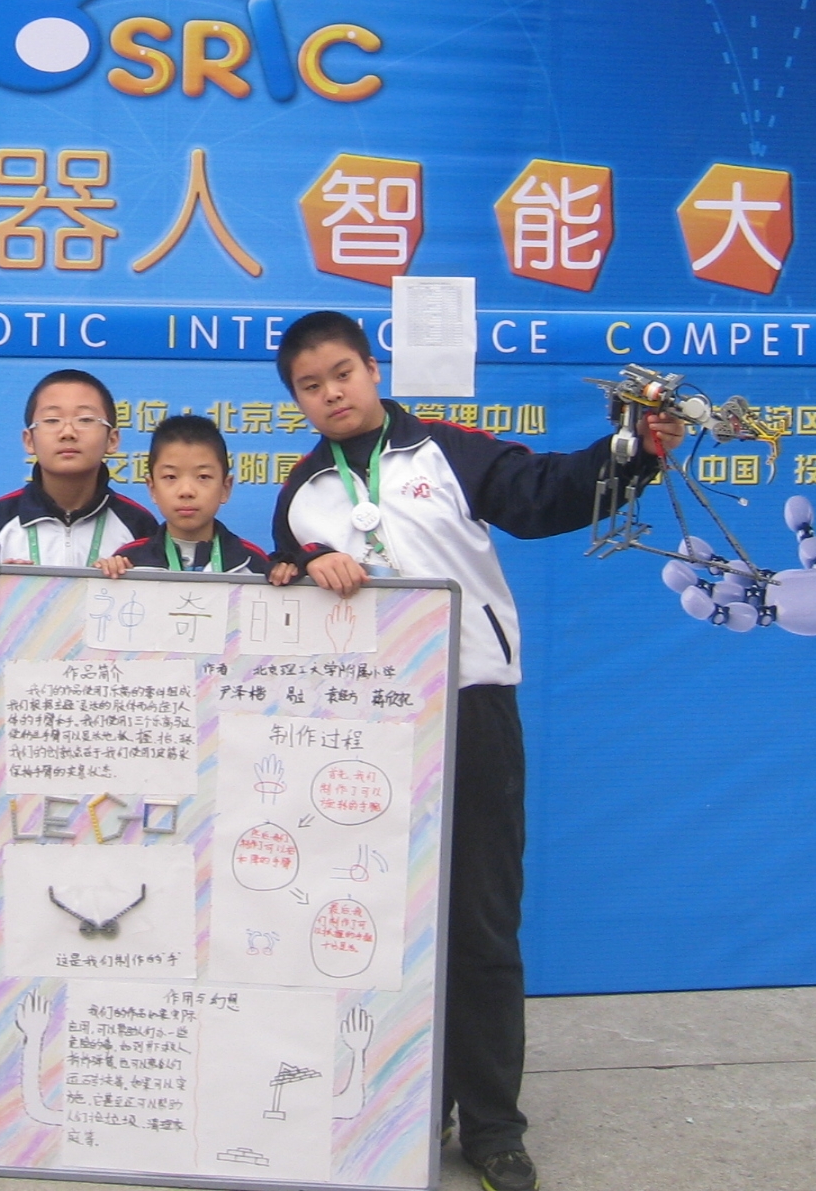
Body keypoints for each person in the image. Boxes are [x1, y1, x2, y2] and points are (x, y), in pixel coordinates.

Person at [264, 312, 677, 1191]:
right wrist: (302, 565)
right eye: (310, 385)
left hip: (470, 706)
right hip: (361, 730)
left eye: (342, 372)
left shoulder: (448, 451)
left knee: (481, 922)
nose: (331, 393)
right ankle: (401, 1106)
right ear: (296, 400)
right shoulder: (300, 492)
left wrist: (634, 454)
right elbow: (282, 582)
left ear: (372, 370)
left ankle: (491, 1127)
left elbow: (542, 494)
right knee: (369, 921)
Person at [0, 368, 160, 660]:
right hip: (23, 684)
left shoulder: (138, 524)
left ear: (113, 440)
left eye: (85, 419)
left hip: (111, 683)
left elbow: (160, 623)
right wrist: (6, 601)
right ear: (29, 440)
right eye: (52, 420)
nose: (68, 432)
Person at [96, 413, 270, 576]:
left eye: (203, 477)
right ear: (152, 489)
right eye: (171, 477)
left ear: (226, 488)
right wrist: (109, 576)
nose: (186, 491)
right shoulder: (129, 561)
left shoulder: (253, 563)